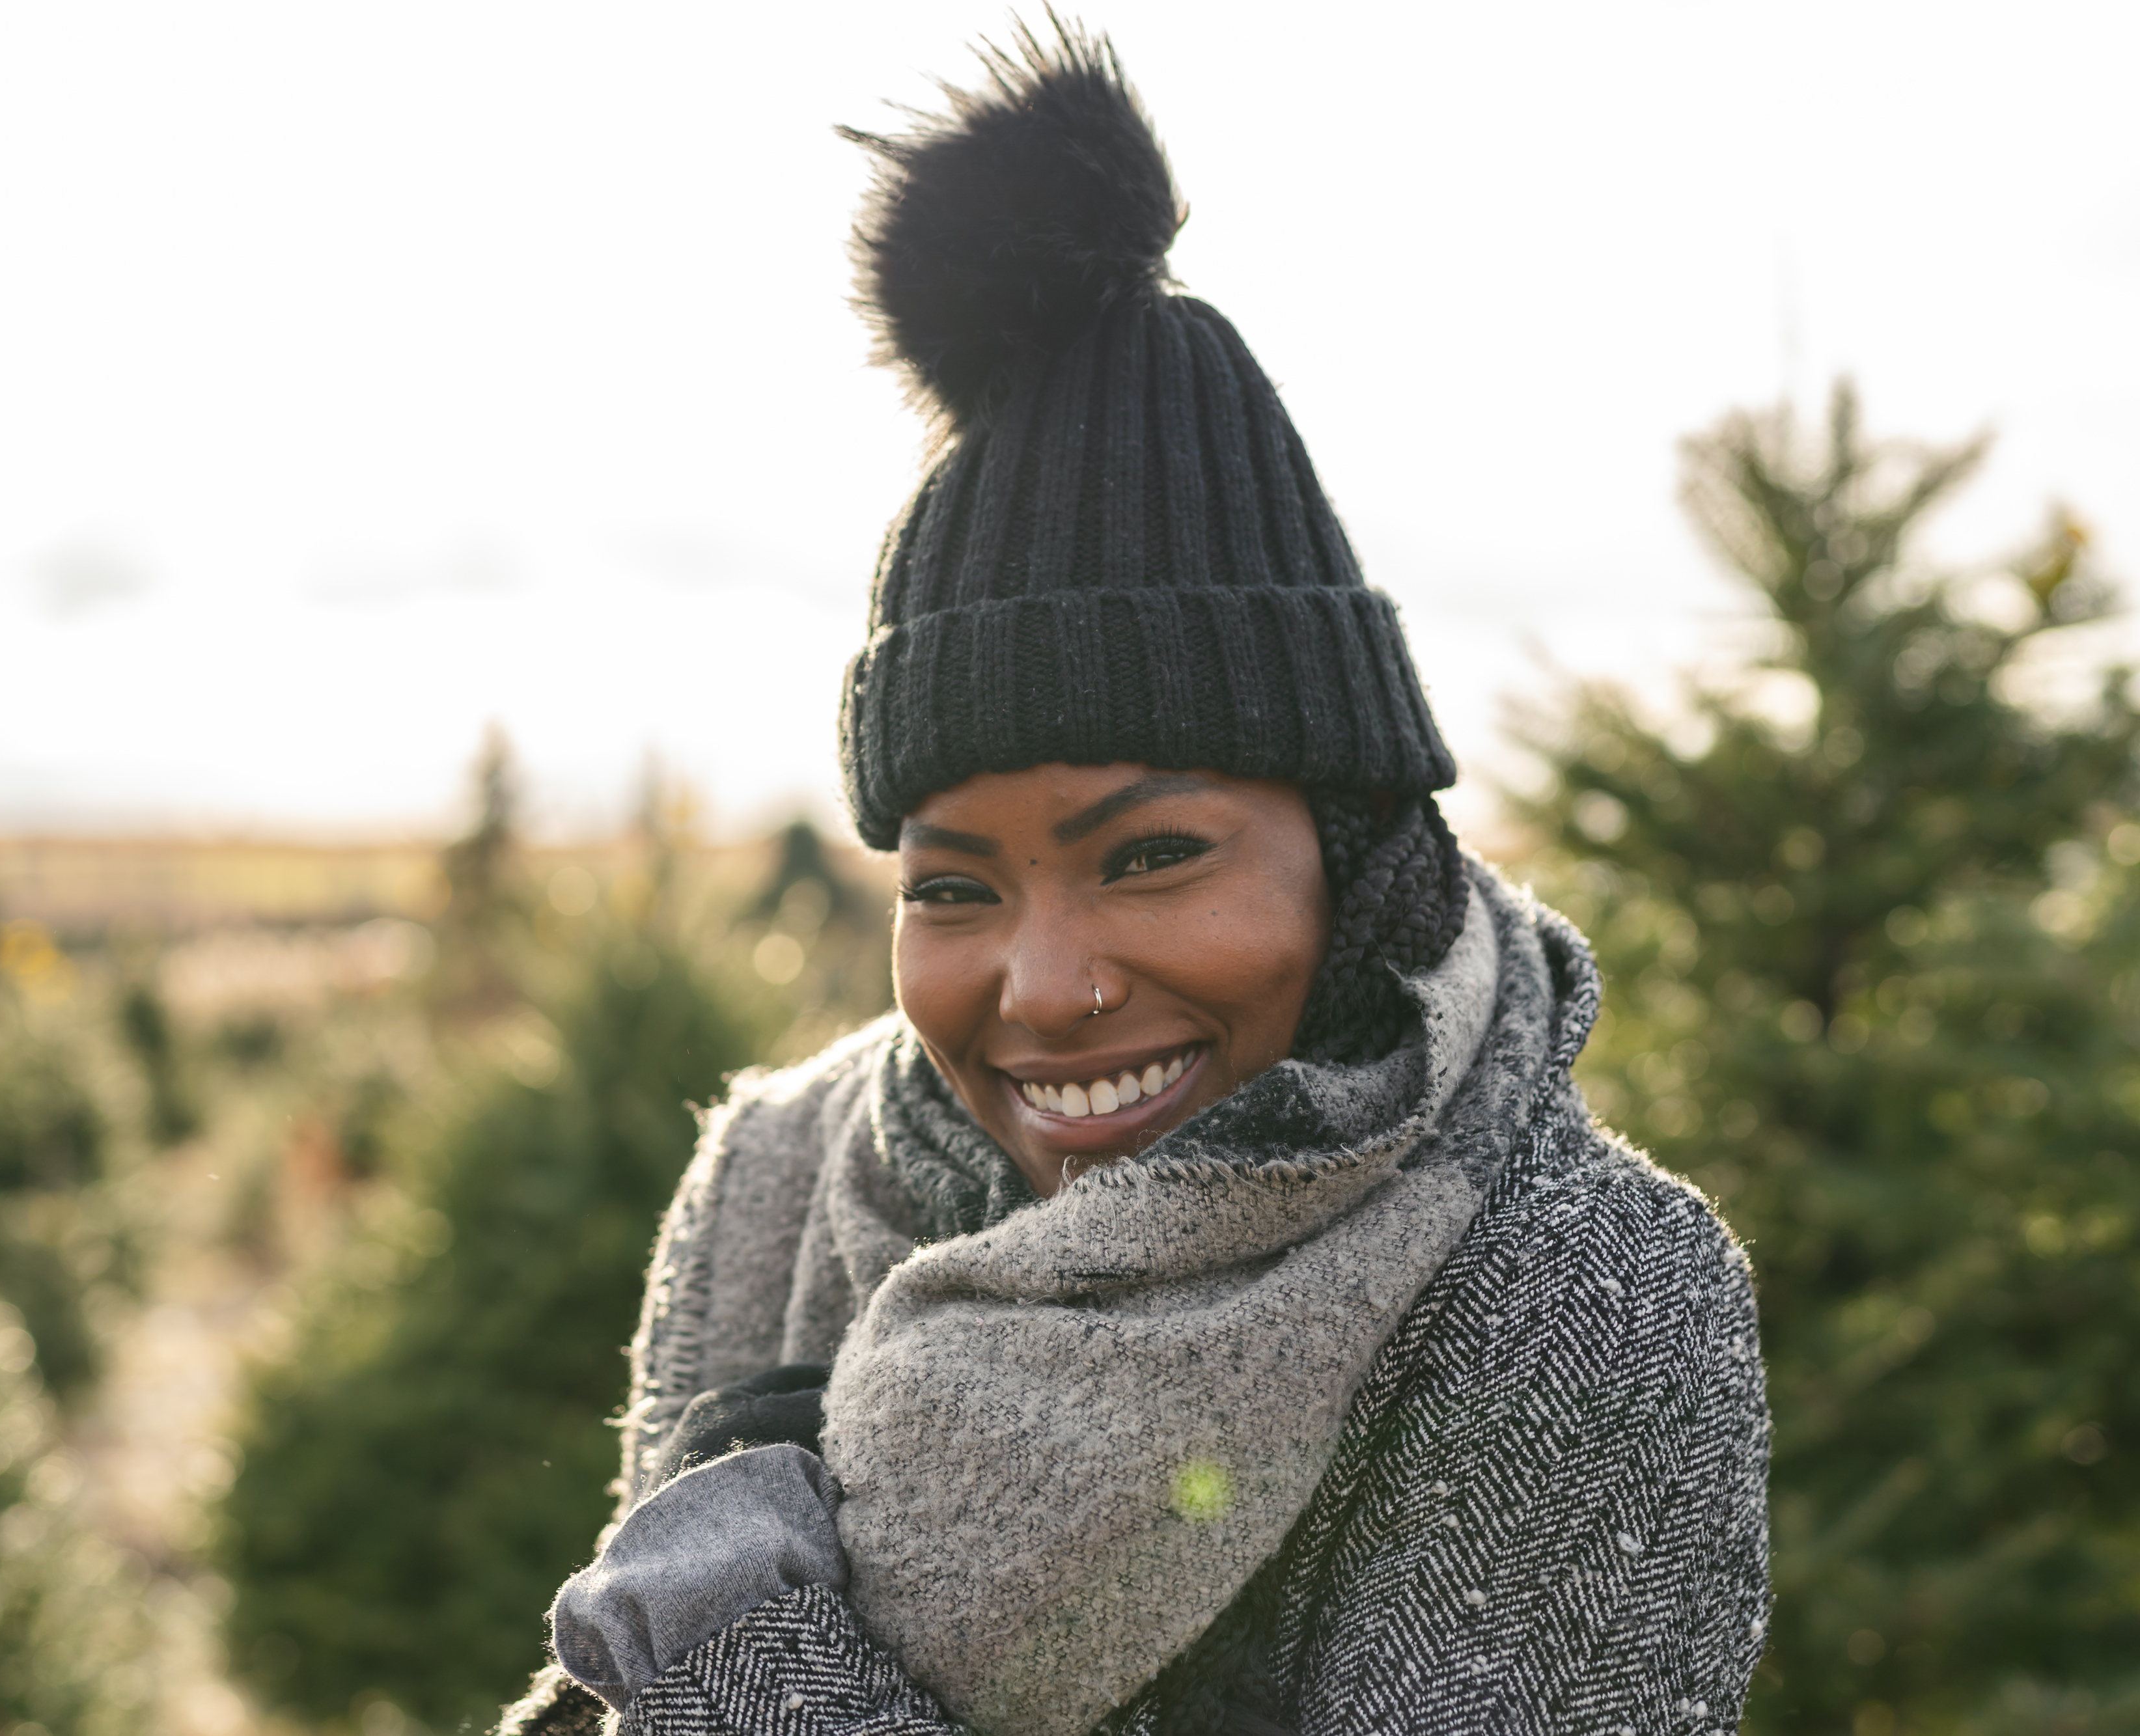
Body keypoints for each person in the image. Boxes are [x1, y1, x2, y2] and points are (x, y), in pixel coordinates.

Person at [502, 22, 1770, 1736]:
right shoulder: (778, 1182)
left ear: (1359, 848)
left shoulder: (1575, 1283)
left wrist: (741, 1666)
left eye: (1152, 856)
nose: (1042, 982)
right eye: (952, 886)